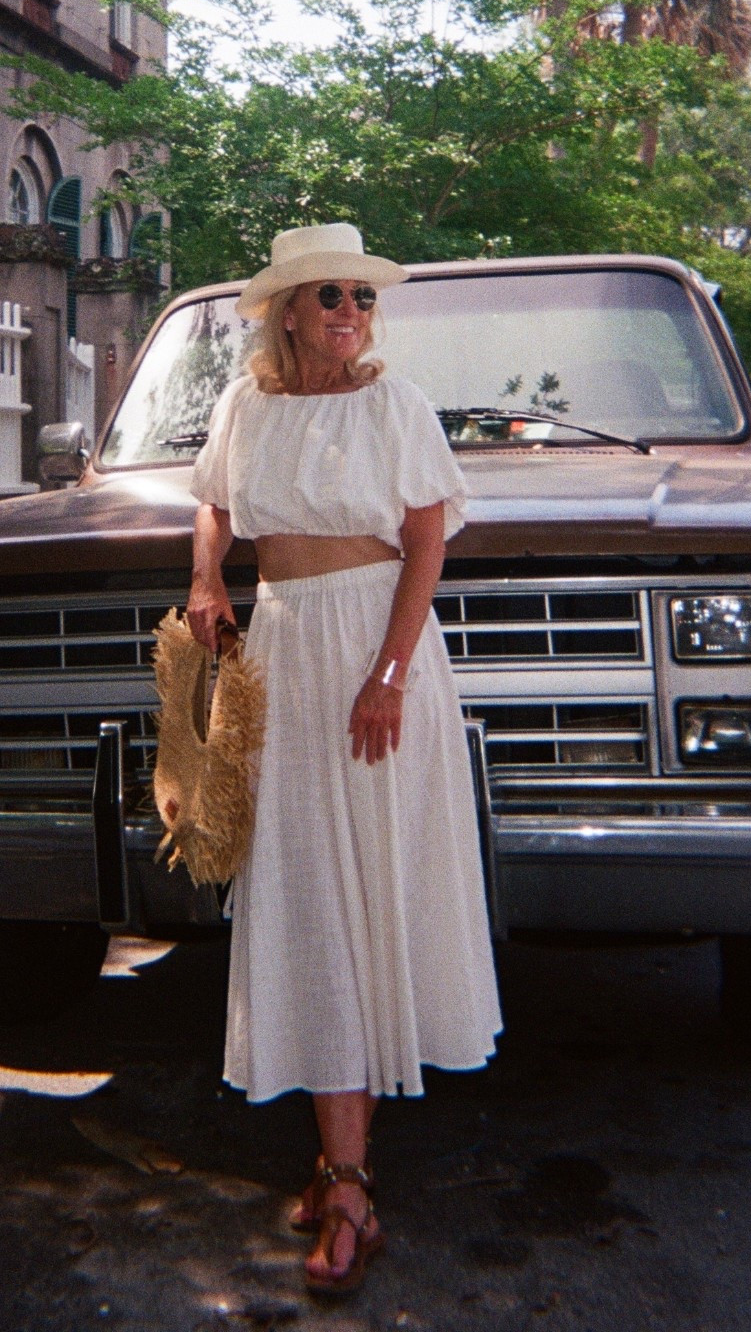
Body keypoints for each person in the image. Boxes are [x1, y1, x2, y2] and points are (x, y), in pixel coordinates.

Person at [187, 221, 502, 1298]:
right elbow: (213, 498)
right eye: (327, 295)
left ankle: (349, 1179)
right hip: (282, 645)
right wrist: (204, 577)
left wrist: (389, 673)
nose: (347, 314)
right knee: (307, 894)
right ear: (284, 309)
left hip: (375, 647)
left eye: (360, 298)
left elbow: (425, 540)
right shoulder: (244, 406)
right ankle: (338, 1159)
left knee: (372, 884)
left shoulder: (395, 406)